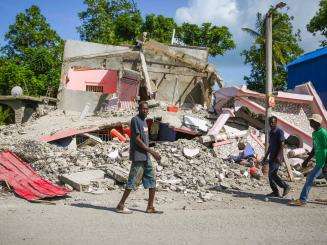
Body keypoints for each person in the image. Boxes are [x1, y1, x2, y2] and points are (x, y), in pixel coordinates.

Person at [116, 101, 162, 214]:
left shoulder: (145, 122)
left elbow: (145, 139)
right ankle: (120, 205)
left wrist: (150, 152)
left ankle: (150, 207)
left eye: (146, 109)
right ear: (139, 109)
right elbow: (137, 139)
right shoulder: (135, 120)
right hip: (138, 156)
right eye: (143, 109)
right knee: (132, 181)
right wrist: (151, 151)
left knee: (152, 180)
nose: (145, 111)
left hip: (146, 157)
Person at [289, 114, 327, 206]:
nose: (310, 122)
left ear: (317, 123)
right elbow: (314, 148)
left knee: (310, 178)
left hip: (323, 161)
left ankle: (302, 199)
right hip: (319, 160)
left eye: (312, 121)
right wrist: (307, 160)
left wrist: (326, 164)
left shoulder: (323, 133)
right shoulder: (314, 133)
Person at [261, 116, 291, 197]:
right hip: (271, 157)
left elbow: (282, 145)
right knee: (270, 175)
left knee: (272, 174)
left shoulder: (279, 132)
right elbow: (270, 146)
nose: (271, 124)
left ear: (276, 122)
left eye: (273, 122)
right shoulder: (271, 132)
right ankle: (275, 192)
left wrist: (279, 156)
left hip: (277, 157)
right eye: (270, 122)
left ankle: (285, 186)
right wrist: (265, 156)